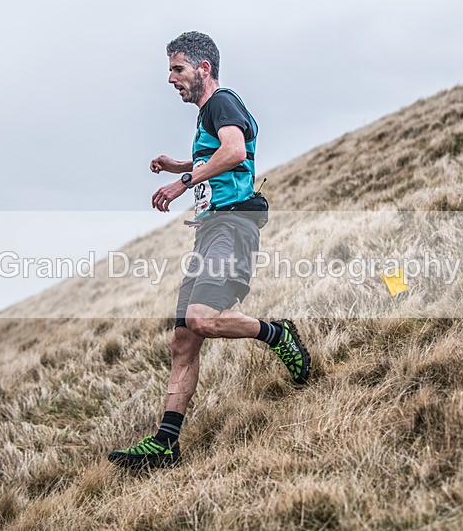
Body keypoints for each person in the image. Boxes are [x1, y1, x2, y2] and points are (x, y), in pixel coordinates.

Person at [107, 31, 311, 469]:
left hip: (232, 224)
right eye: (169, 70)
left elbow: (236, 152)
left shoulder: (222, 102)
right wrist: (179, 162)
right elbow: (222, 152)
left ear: (203, 69)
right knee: (184, 339)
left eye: (177, 69)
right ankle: (166, 442)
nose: (170, 78)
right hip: (210, 231)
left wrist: (181, 182)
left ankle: (278, 335)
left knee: (201, 318)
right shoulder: (207, 116)